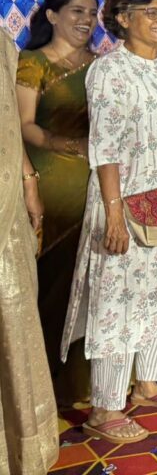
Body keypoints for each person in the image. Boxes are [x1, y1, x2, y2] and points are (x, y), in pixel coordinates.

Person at [61, 0, 157, 445]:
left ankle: (149, 383)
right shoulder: (109, 71)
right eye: (152, 12)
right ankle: (105, 408)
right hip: (125, 204)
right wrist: (113, 215)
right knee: (119, 301)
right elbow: (105, 149)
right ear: (123, 19)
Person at [15, 0, 98, 406]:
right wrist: (67, 144)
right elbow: (22, 125)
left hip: (97, 182)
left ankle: (83, 383)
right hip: (50, 180)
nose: (87, 20)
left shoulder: (101, 65)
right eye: (77, 11)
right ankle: (43, 386)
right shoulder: (32, 63)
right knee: (52, 283)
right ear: (52, 15)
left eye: (92, 13)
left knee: (92, 284)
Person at [1, 30, 59, 474]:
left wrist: (28, 180)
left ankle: (22, 448)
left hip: (5, 198)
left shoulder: (1, 42)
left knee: (14, 310)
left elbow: (7, 120)